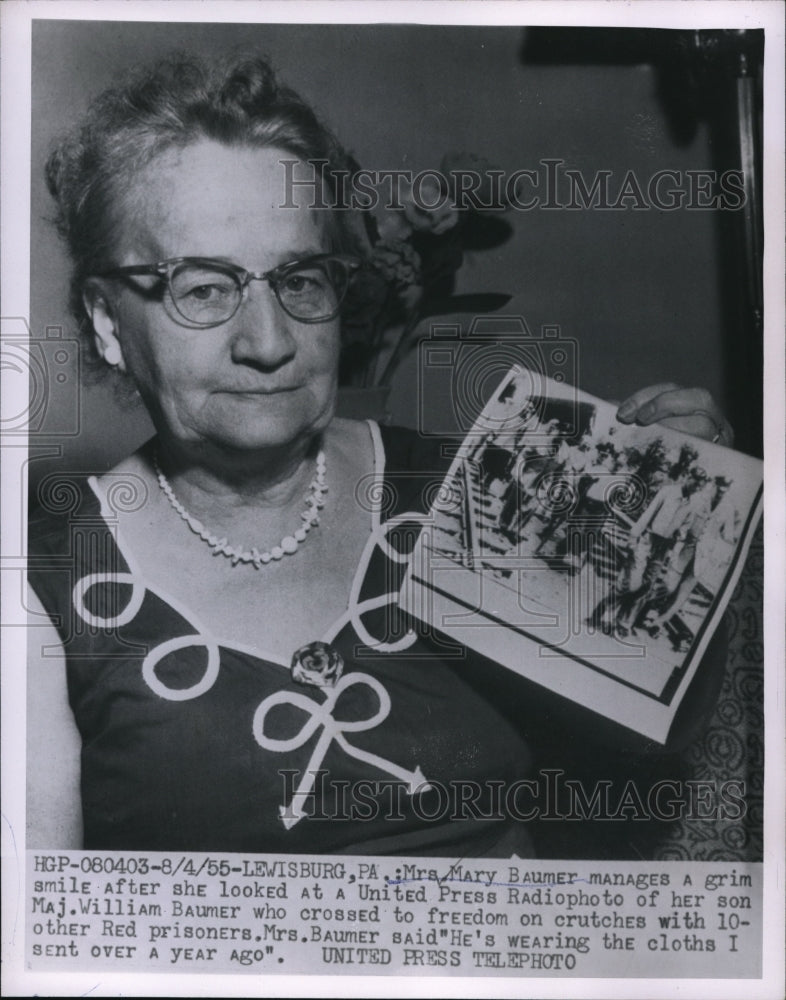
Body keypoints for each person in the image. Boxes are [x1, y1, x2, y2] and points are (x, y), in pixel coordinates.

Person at [27, 53, 731, 857]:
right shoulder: (45, 584)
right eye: (205, 288)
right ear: (108, 322)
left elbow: (651, 744)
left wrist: (680, 525)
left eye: (300, 279)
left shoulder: (469, 487)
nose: (269, 342)